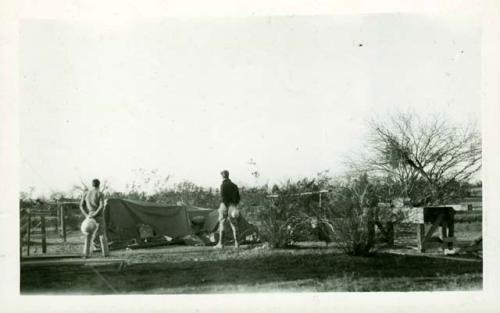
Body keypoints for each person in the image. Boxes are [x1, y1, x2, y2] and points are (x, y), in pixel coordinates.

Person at [79, 179, 108, 257]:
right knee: (102, 235)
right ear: (99, 185)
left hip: (89, 216)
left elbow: (81, 206)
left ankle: (86, 254)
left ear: (92, 185)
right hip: (98, 216)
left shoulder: (86, 193)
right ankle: (105, 254)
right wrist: (95, 214)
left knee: (88, 235)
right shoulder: (100, 193)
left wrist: (86, 215)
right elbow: (101, 206)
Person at [214, 170, 241, 249]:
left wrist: (226, 205)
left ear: (223, 176)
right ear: (228, 175)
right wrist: (234, 204)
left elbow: (223, 196)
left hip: (225, 205)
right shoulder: (234, 185)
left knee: (222, 223)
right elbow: (238, 197)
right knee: (234, 224)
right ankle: (237, 244)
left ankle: (221, 244)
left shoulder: (223, 185)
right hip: (233, 205)